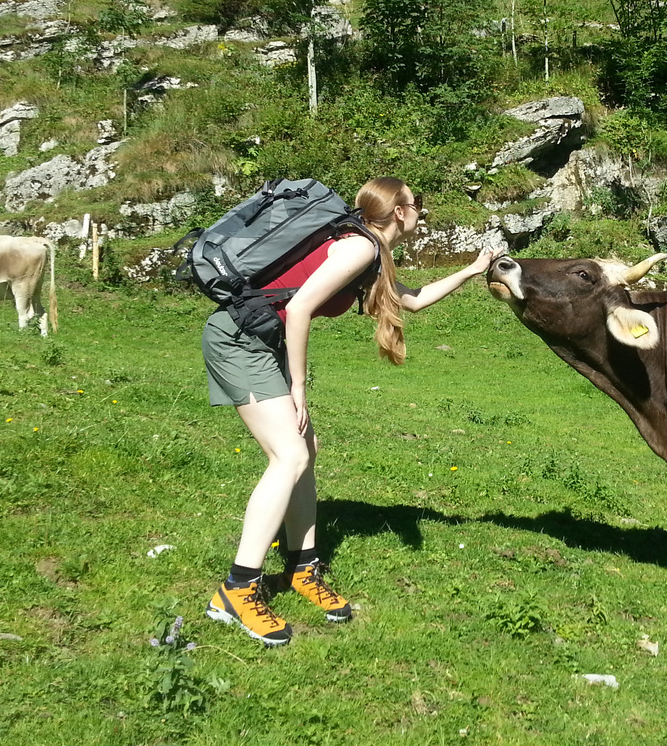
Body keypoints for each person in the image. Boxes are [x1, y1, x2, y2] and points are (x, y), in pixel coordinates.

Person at [203, 177, 496, 646]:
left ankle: (302, 567)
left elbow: (412, 300)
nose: (420, 211)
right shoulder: (359, 248)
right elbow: (298, 310)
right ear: (399, 211)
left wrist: (471, 269)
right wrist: (298, 386)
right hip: (240, 341)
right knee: (290, 456)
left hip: (262, 341)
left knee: (306, 451)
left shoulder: (368, 248)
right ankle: (237, 589)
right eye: (416, 204)